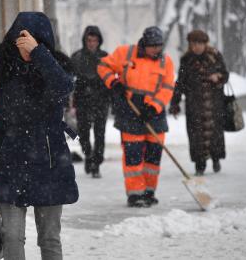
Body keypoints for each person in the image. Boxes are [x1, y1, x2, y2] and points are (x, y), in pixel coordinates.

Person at [0, 12, 79, 260]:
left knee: (49, 238)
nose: (23, 42)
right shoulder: (5, 71)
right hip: (12, 164)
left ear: (42, 41)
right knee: (12, 238)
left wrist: (38, 54)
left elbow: (64, 87)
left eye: (30, 38)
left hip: (49, 163)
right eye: (20, 38)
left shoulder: (54, 69)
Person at [97, 26, 175, 207]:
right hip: (129, 109)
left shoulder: (166, 62)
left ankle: (149, 191)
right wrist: (114, 82)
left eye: (159, 46)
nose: (157, 49)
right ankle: (135, 194)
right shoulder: (125, 53)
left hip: (154, 112)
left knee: (153, 156)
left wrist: (154, 107)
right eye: (153, 46)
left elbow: (168, 87)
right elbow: (103, 66)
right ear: (144, 44)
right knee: (133, 154)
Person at [169, 29, 229, 176]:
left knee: (215, 135)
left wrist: (218, 77)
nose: (197, 47)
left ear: (205, 43)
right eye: (194, 44)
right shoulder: (186, 60)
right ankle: (199, 164)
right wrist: (175, 103)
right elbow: (180, 83)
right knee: (196, 136)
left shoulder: (214, 56)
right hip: (194, 105)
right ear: (190, 45)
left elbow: (226, 75)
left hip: (213, 104)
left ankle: (215, 159)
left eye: (200, 43)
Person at [70, 26, 109, 178]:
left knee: (100, 133)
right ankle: (88, 155)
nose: (92, 43)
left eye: (95, 40)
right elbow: (70, 80)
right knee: (83, 134)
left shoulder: (106, 57)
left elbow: (111, 79)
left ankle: (96, 163)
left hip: (101, 100)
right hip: (82, 101)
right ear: (85, 41)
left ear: (99, 41)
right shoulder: (77, 57)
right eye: (89, 40)